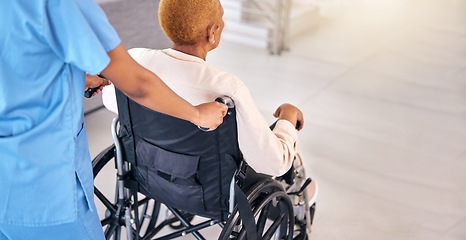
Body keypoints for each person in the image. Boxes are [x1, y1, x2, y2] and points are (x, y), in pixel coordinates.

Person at [0, 0, 227, 239]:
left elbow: (19, 68)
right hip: (41, 190)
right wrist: (197, 114)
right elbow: (138, 85)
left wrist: (72, 78)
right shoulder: (59, 5)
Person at [102, 0, 317, 201]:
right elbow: (274, 162)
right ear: (212, 32)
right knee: (280, 144)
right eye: (221, 18)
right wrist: (288, 117)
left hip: (150, 172)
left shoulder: (135, 61)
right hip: (208, 189)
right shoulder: (227, 88)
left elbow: (111, 101)